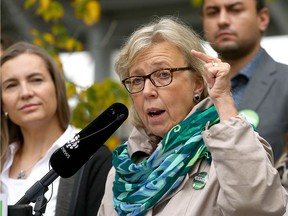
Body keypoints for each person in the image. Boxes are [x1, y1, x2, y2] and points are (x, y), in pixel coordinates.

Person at [97, 16, 287, 216]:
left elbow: (259, 207)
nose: (147, 91)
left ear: (197, 83)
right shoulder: (123, 169)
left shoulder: (230, 149)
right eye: (136, 80)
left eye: (162, 74)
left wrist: (223, 99)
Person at [0, 42, 112, 216]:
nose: (25, 93)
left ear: (57, 88)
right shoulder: (3, 159)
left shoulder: (92, 157)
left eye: (36, 80)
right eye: (11, 85)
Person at [201, 0, 288, 163]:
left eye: (235, 10)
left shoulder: (285, 83)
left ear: (262, 19)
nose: (222, 20)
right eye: (213, 12)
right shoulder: (192, 86)